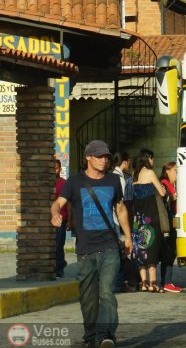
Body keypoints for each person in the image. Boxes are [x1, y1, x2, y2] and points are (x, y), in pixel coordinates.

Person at [50, 140, 132, 348]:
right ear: (88, 157)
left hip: (110, 245)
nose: (104, 160)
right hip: (85, 249)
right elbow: (58, 203)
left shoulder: (113, 181)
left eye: (106, 156)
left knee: (106, 291)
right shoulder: (74, 182)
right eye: (99, 156)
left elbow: (120, 208)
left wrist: (128, 236)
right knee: (88, 297)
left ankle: (106, 335)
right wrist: (54, 214)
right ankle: (90, 336)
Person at [131, 149, 167, 292]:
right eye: (152, 158)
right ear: (148, 158)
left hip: (138, 217)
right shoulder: (150, 173)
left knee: (140, 248)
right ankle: (153, 283)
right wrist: (162, 188)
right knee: (152, 247)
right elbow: (162, 192)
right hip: (151, 216)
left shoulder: (135, 175)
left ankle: (143, 282)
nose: (153, 161)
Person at [111, 152, 138, 292]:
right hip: (115, 220)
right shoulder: (119, 179)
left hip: (115, 219)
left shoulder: (116, 176)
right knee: (120, 252)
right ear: (125, 162)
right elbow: (119, 205)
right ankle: (119, 281)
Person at [158, 162, 182, 293]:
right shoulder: (164, 183)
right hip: (169, 220)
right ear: (167, 170)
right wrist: (174, 196)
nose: (176, 173)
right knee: (169, 251)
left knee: (172, 251)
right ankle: (166, 281)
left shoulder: (174, 184)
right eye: (174, 170)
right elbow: (165, 198)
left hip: (175, 219)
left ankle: (167, 280)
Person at [53, 159, 67, 278]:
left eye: (56, 168)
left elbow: (70, 203)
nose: (54, 170)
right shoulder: (45, 183)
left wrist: (71, 219)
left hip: (61, 218)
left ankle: (59, 267)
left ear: (60, 169)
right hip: (47, 219)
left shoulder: (63, 183)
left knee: (58, 243)